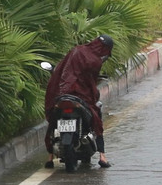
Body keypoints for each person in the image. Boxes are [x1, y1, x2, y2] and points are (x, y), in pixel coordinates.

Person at [44, 34, 114, 169]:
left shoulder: (76, 50)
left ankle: (50, 157)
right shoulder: (96, 61)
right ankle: (103, 156)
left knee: (53, 120)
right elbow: (90, 81)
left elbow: (61, 69)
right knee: (97, 115)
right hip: (82, 95)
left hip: (63, 93)